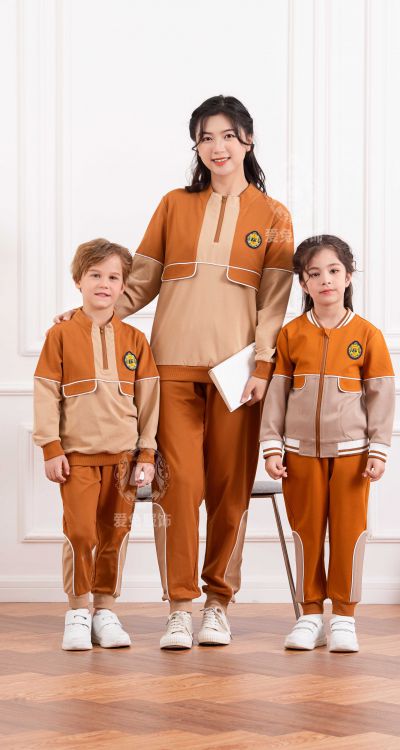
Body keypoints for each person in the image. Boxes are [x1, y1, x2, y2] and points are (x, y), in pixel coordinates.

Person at [55, 95, 294, 649]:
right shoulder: (173, 205)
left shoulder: (274, 216)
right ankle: (180, 608)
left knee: (230, 493)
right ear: (196, 147)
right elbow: (138, 282)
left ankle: (218, 604)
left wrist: (263, 364)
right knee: (178, 490)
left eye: (227, 136)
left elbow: (274, 301)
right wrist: (92, 313)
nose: (217, 147)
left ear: (247, 141)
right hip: (170, 371)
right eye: (206, 137)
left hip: (238, 376)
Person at [261, 235, 395, 652]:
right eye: (315, 274)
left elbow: (382, 396)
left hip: (354, 457)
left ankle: (344, 618)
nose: (326, 281)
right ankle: (310, 615)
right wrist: (272, 445)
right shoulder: (291, 335)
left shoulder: (367, 335)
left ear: (348, 276)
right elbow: (276, 395)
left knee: (349, 533)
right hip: (299, 455)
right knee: (305, 532)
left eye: (334, 271)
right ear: (303, 283)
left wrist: (378, 448)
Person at [33, 239, 160, 650]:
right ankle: (77, 611)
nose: (104, 284)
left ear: (124, 286)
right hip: (77, 460)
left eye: (113, 277)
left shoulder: (136, 340)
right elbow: (46, 393)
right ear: (78, 280)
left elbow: (149, 401)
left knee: (114, 533)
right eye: (95, 275)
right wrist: (50, 446)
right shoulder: (60, 335)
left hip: (124, 459)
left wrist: (146, 452)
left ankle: (105, 610)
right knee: (80, 533)